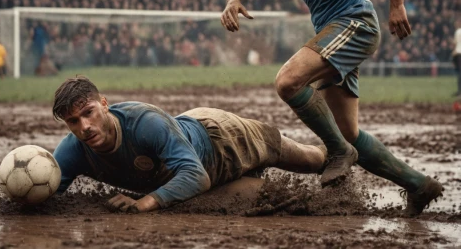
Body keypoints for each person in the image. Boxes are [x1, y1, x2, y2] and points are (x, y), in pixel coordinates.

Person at [220, 0, 443, 216]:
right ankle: (419, 185)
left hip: (356, 24)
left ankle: (337, 153)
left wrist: (397, 4)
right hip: (329, 34)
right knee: (349, 134)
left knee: (288, 82)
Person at [52, 76, 326, 213]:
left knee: (311, 160)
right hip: (204, 173)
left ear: (103, 105)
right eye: (73, 121)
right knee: (278, 200)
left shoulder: (145, 123)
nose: (84, 127)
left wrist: (144, 202)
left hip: (222, 137)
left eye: (88, 113)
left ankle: (344, 145)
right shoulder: (72, 150)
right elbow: (49, 193)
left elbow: (195, 175)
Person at [453, 20, 461, 97]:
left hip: (458, 53)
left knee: (459, 73)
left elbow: (455, 44)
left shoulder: (458, 32)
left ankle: (459, 92)